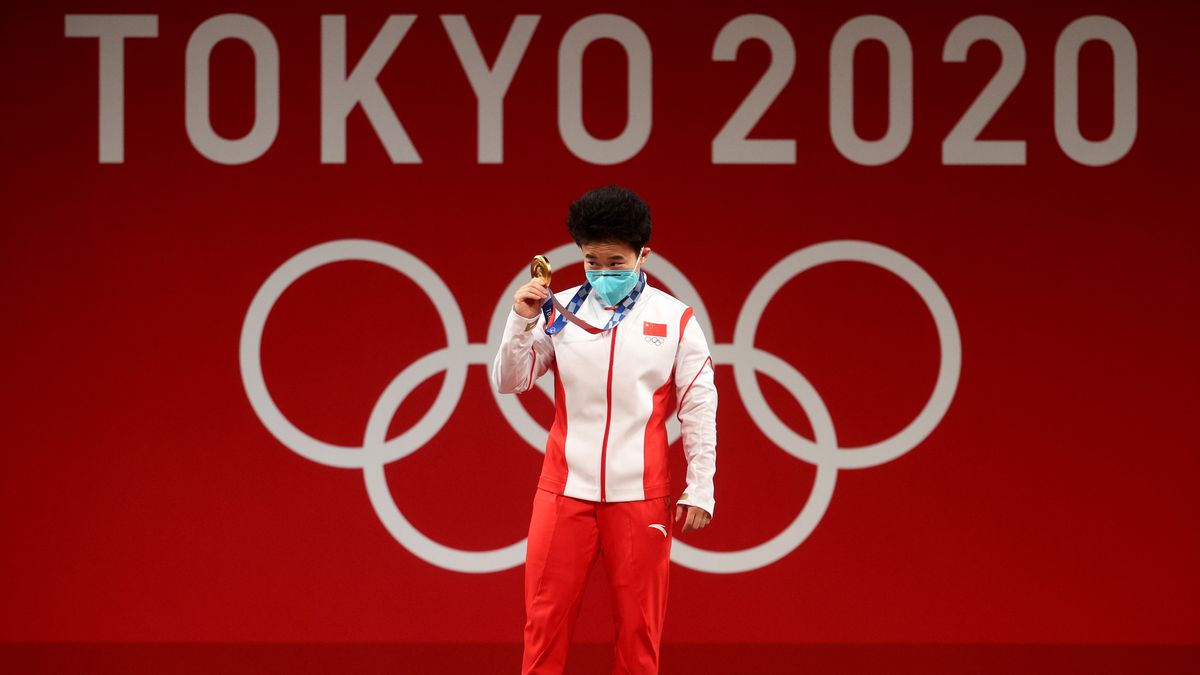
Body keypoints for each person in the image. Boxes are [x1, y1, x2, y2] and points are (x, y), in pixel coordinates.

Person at [491, 184, 718, 674]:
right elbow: (510, 381)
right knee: (544, 625)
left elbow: (699, 405)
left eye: (616, 262)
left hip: (640, 496)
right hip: (563, 491)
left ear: (644, 254)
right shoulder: (558, 309)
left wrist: (701, 487)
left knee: (639, 634)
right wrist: (519, 321)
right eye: (592, 260)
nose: (603, 272)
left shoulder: (675, 318)